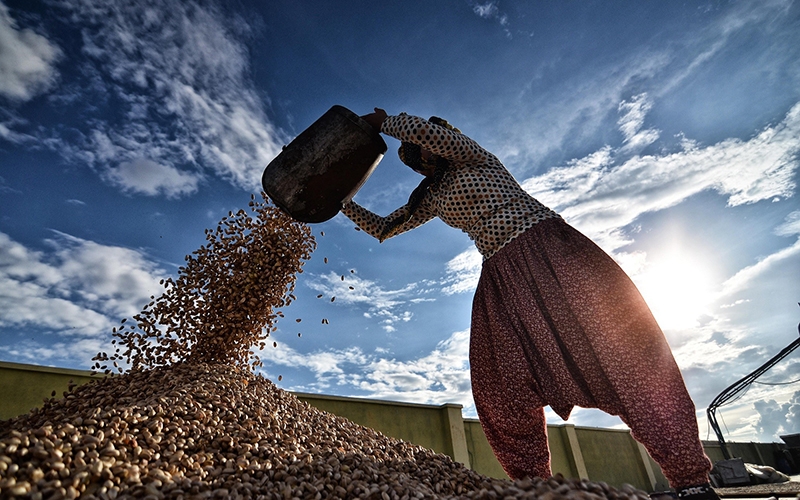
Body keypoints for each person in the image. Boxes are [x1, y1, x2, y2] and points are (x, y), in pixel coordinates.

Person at [341, 108, 719, 500]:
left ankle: (691, 480)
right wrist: (341, 200)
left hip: (550, 253)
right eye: (413, 156)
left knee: (623, 350)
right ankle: (534, 486)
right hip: (502, 278)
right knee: (499, 377)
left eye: (421, 146)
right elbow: (385, 228)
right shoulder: (433, 196)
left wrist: (382, 120)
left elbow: (427, 133)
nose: (420, 156)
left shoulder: (474, 156)